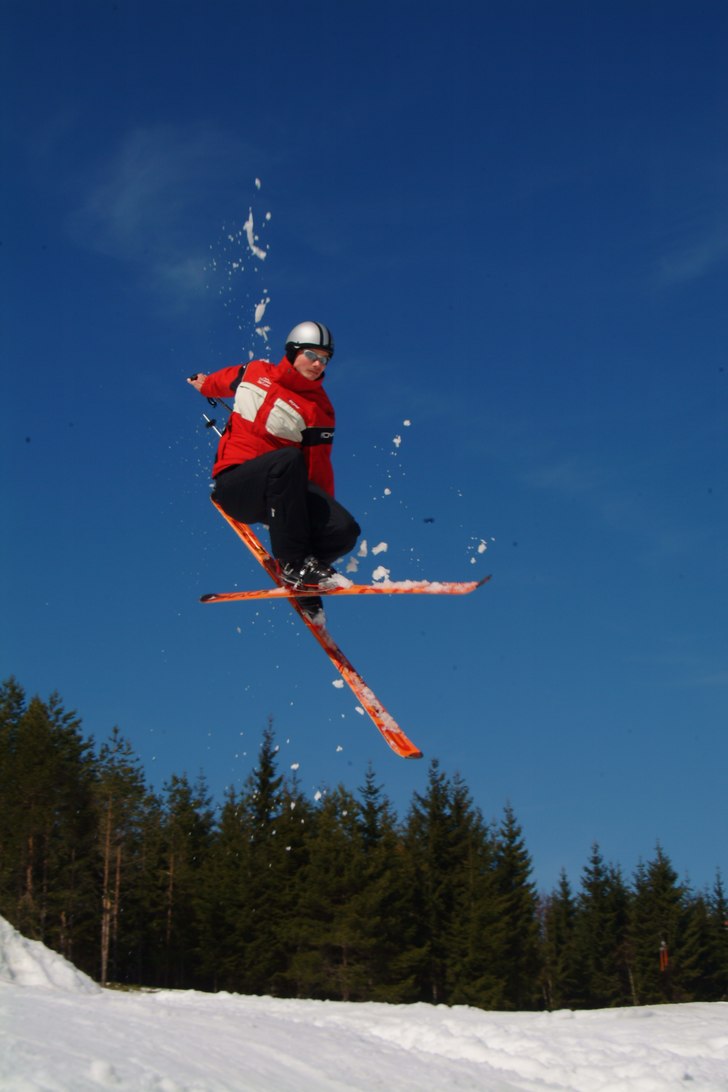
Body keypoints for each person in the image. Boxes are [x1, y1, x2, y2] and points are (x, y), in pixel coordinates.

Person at [188, 321, 360, 619]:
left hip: (281, 496)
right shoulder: (256, 372)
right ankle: (294, 564)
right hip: (237, 484)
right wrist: (205, 384)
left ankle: (303, 581)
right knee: (287, 460)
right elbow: (223, 381)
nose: (318, 364)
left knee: (344, 529)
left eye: (325, 359)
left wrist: (322, 515)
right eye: (312, 355)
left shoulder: (319, 409)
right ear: (293, 352)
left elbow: (318, 469)